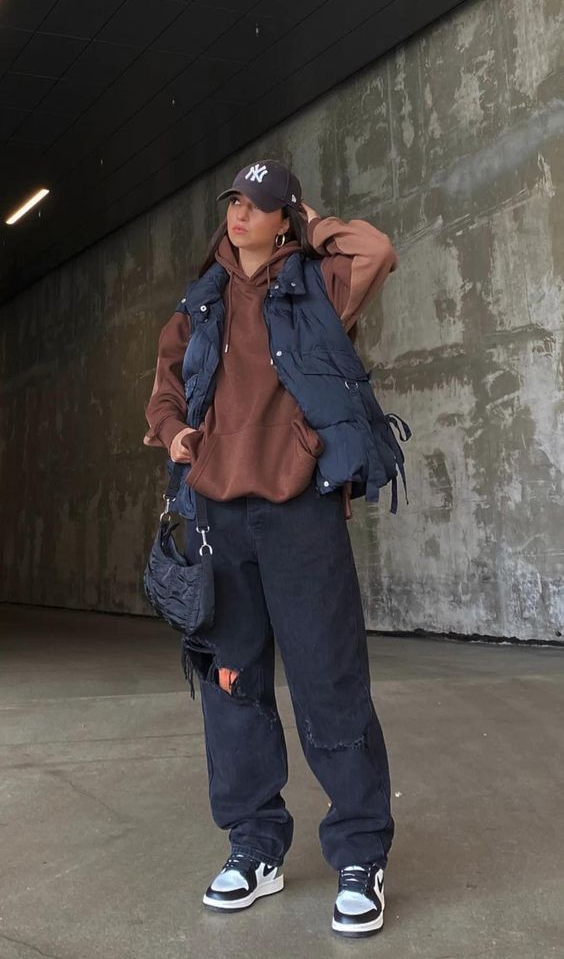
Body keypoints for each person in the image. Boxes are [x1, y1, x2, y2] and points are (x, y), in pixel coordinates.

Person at [143, 159, 400, 938]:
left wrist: (313, 221)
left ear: (284, 216)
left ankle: (360, 854)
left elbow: (376, 251)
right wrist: (175, 431)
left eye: (257, 204)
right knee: (231, 685)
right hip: (221, 515)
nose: (240, 215)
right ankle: (255, 845)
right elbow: (160, 387)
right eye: (234, 202)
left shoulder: (318, 285)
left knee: (329, 682)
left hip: (299, 513)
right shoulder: (201, 301)